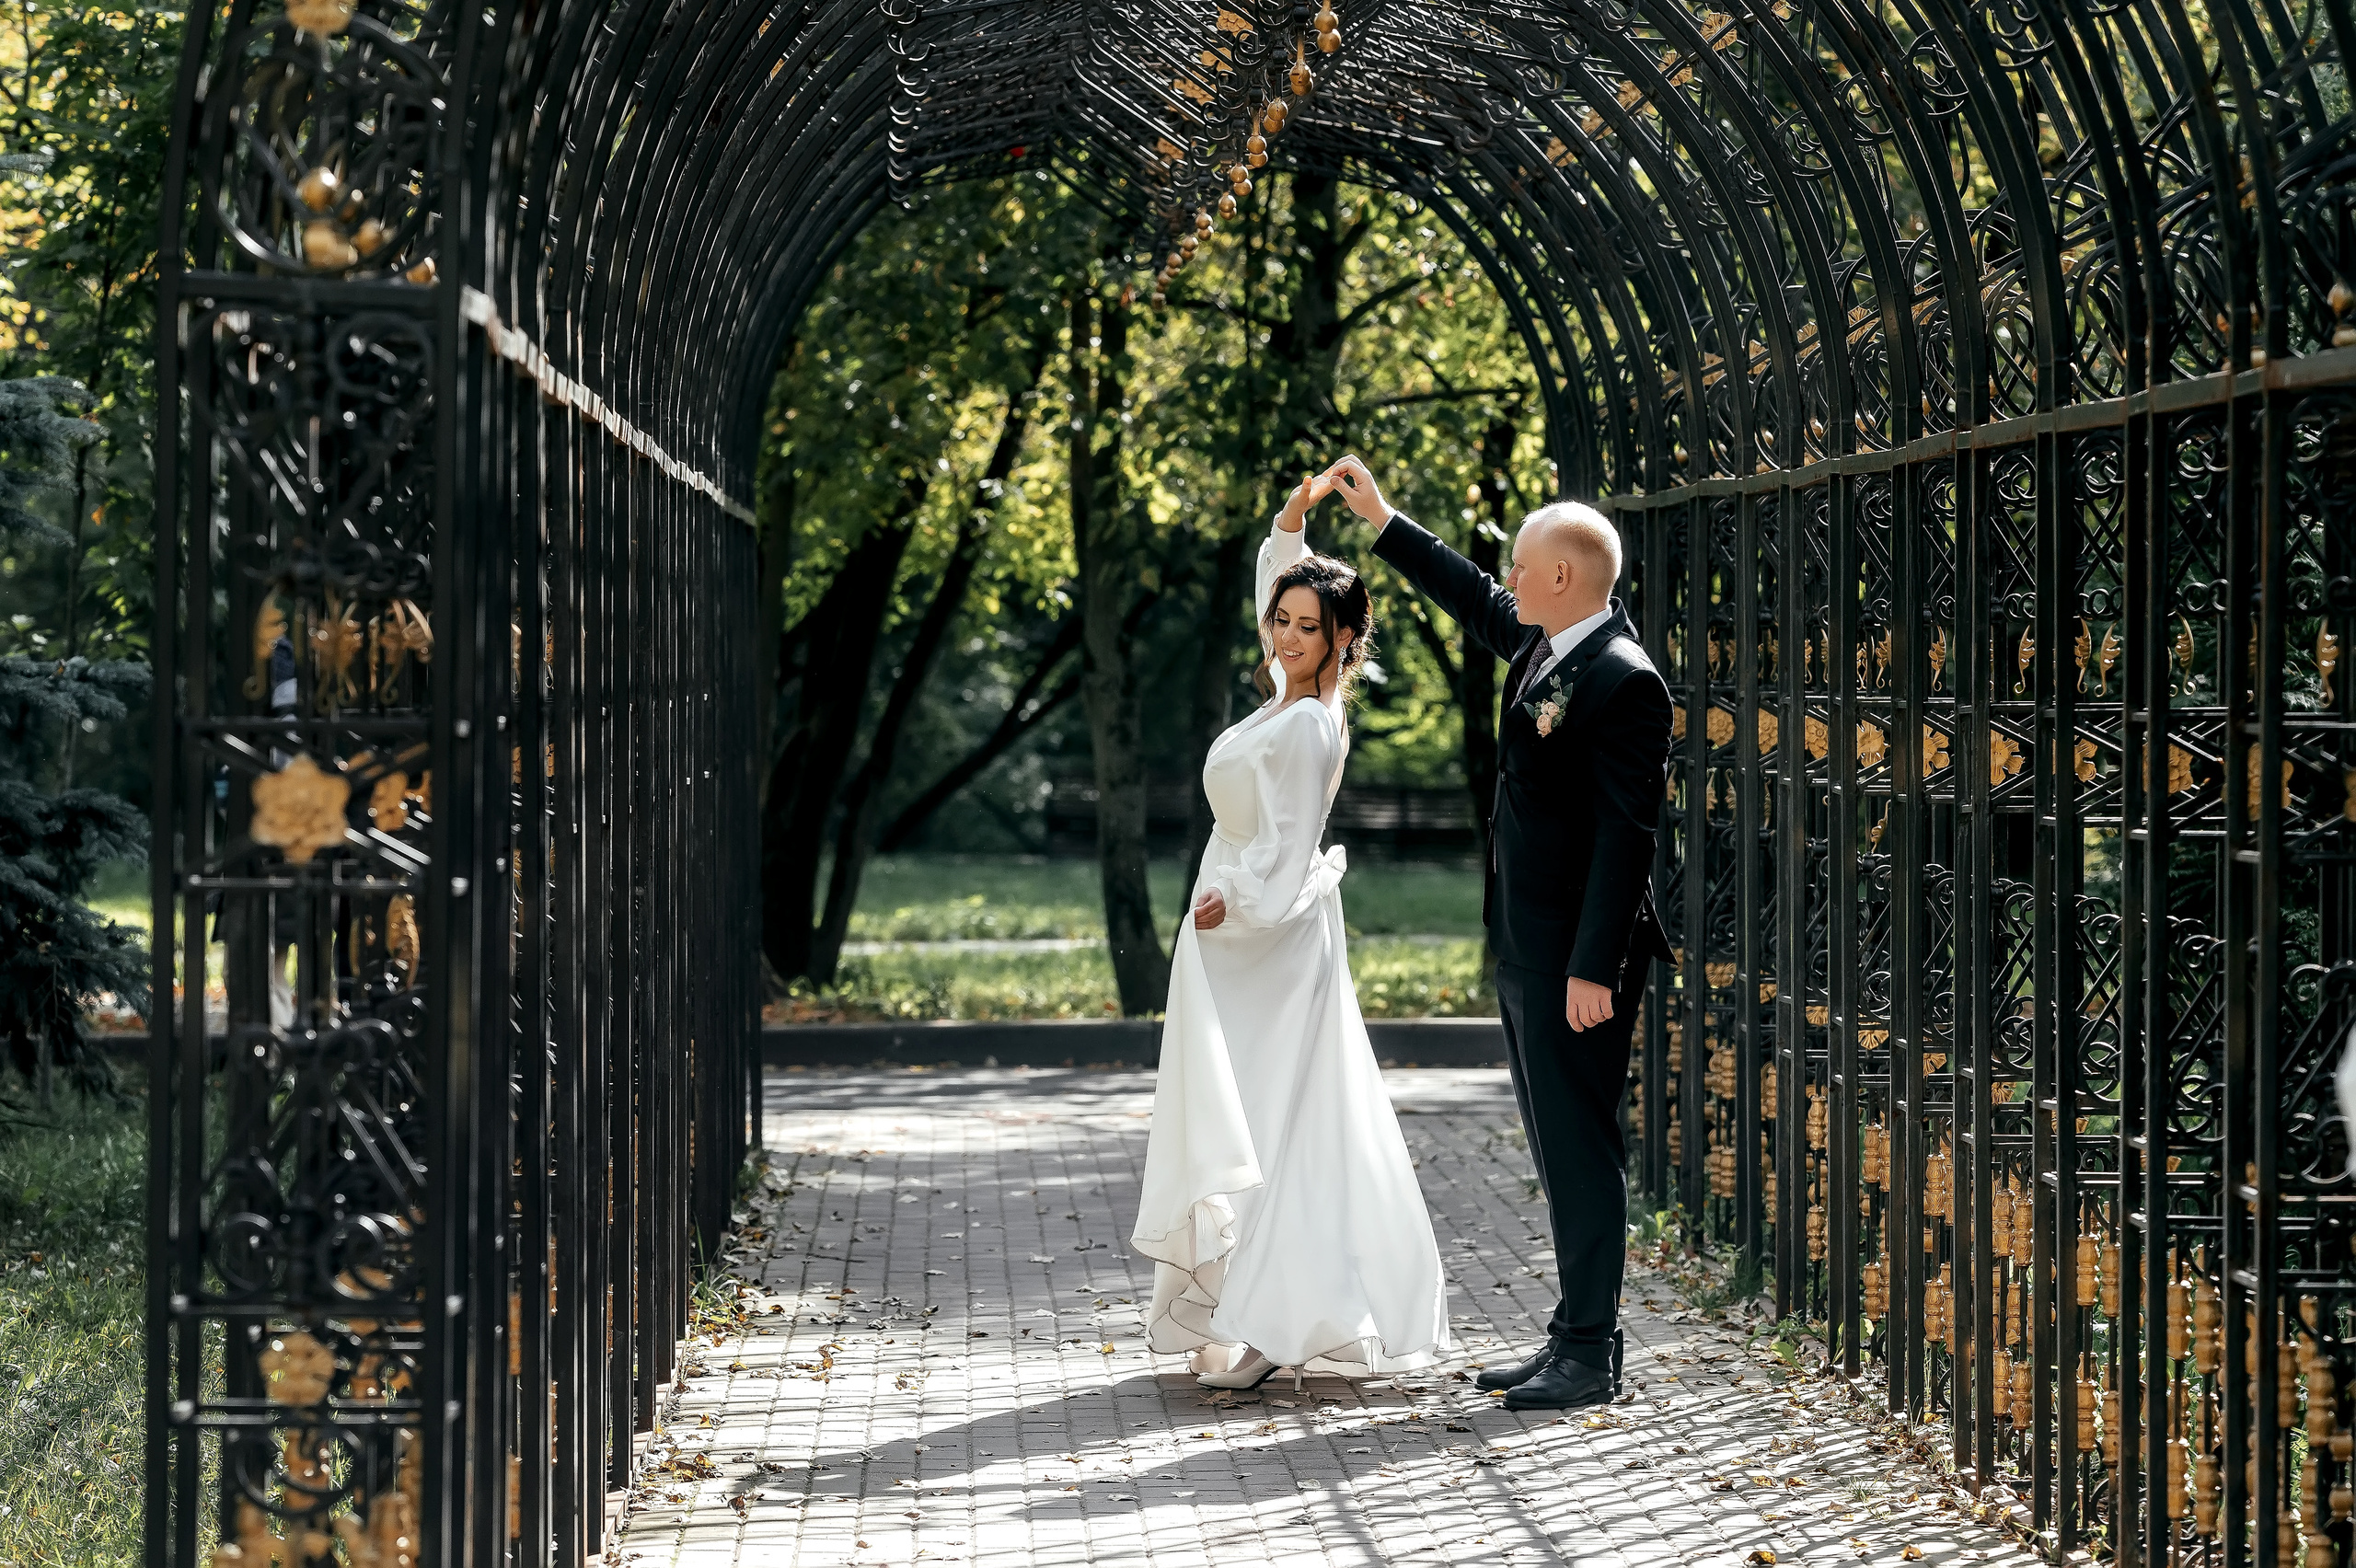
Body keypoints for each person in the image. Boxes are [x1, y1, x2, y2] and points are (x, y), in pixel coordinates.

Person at [1321, 453, 1673, 1412]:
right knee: (1553, 1149)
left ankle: (1591, 1352)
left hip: (1576, 963)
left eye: (1522, 565)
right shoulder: (1543, 644)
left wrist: (1592, 967)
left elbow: (1625, 835)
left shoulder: (1622, 678)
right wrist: (1386, 520)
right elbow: (1473, 596)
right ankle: (1567, 1335)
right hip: (1527, 944)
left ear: (1562, 577)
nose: (1508, 579)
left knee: (1580, 1150)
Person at [1129, 471, 1454, 1392]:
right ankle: (1253, 1303)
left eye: (1310, 627)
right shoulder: (1280, 688)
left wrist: (1233, 906)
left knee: (1275, 1120)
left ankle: (1279, 1319)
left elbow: (1287, 849)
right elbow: (1283, 585)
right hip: (1230, 937)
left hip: (1265, 945)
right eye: (1282, 620)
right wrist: (1289, 525)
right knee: (1244, 1116)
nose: (1287, 635)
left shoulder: (1311, 727)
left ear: (1344, 640)